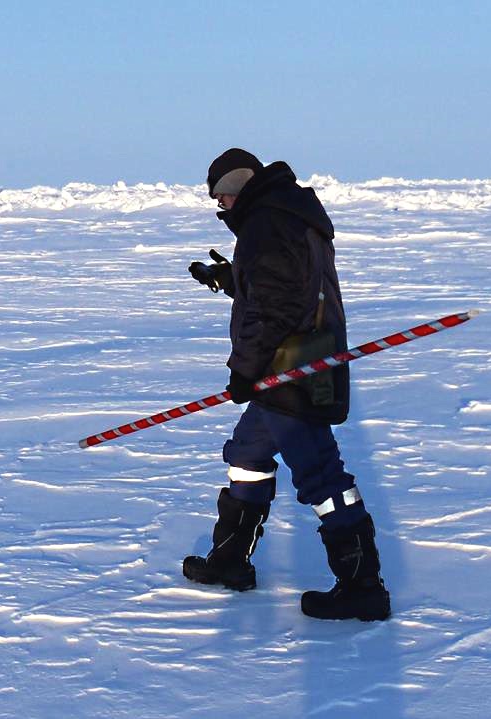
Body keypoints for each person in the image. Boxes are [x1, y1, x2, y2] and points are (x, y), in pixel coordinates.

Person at [182, 148, 391, 621]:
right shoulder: (287, 214)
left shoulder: (267, 224)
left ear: (235, 190)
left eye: (221, 201)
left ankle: (362, 586)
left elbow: (273, 307)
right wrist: (230, 278)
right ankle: (231, 561)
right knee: (247, 455)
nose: (223, 211)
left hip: (290, 369)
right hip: (294, 363)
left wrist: (244, 368)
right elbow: (285, 285)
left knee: (321, 475)